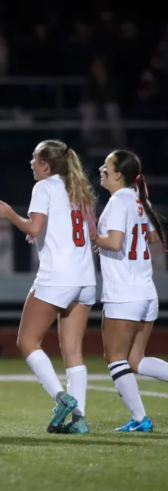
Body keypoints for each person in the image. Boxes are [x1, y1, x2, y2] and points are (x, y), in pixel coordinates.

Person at [0, 140, 96, 434]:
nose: (31, 163)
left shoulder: (44, 187)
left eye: (34, 159)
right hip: (85, 278)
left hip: (57, 277)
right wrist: (38, 235)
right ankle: (79, 420)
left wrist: (10, 214)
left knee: (27, 342)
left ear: (46, 165)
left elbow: (34, 227)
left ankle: (61, 398)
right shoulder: (79, 188)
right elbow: (69, 230)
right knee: (73, 351)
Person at [93, 150, 168, 433]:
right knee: (136, 360)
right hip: (147, 292)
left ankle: (140, 419)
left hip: (124, 293)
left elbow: (115, 242)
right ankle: (139, 418)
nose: (101, 168)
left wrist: (94, 236)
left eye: (106, 166)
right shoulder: (139, 200)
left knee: (116, 359)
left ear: (118, 174)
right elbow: (152, 235)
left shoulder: (117, 202)